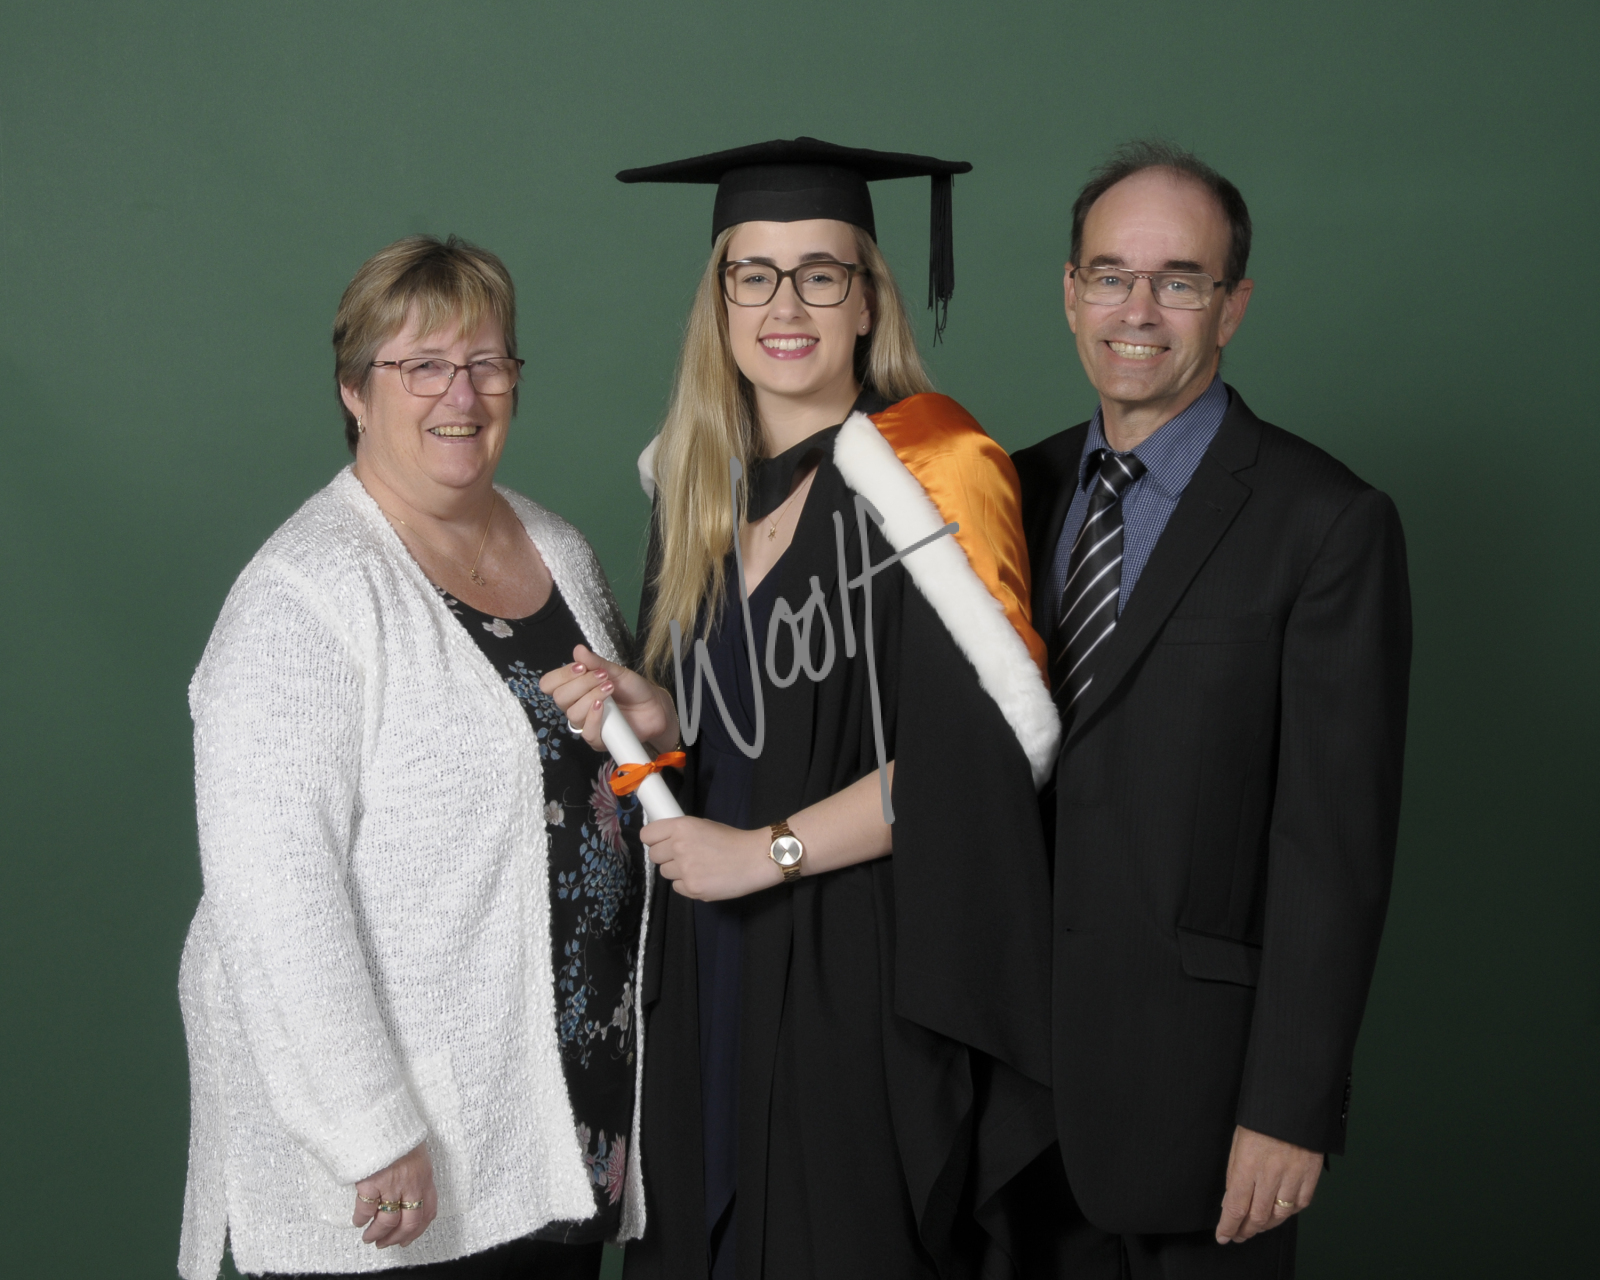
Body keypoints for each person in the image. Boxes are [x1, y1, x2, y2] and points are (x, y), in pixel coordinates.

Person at [541, 138, 1060, 1279]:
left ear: (867, 300)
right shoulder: (695, 488)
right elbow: (738, 739)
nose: (786, 306)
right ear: (719, 301)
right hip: (705, 954)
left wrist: (763, 852)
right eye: (755, 274)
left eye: (820, 274)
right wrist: (662, 727)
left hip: (859, 963)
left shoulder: (937, 469)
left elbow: (970, 768)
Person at [177, 235, 650, 1279]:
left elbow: (603, 786)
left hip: (561, 1120)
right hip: (407, 1156)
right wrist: (366, 1124)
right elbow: (271, 888)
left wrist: (654, 734)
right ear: (355, 390)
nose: (461, 395)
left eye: (486, 363)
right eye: (422, 365)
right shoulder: (304, 594)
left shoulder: (559, 550)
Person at [1005, 141, 1412, 1277]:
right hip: (1005, 1096)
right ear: (1070, 292)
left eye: (1179, 280)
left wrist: (1290, 1106)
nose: (1137, 310)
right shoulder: (1009, 490)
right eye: (1110, 275)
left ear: (1232, 305)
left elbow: (1333, 844)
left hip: (1198, 1100)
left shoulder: (1325, 522)